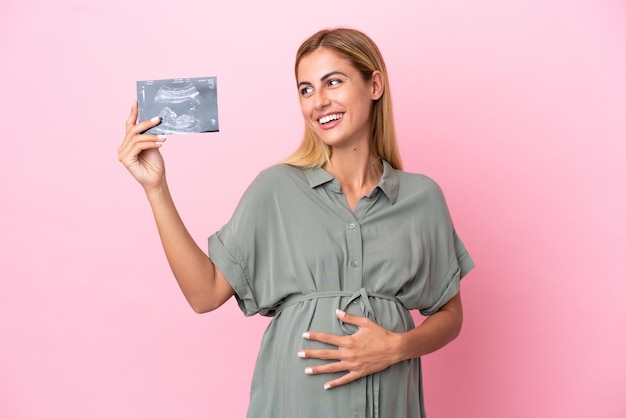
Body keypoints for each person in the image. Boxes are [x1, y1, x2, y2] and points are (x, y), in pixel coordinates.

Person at [118, 27, 474, 418]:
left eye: (332, 83)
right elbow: (205, 294)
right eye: (306, 90)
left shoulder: (421, 197)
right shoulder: (277, 188)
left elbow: (450, 314)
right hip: (294, 402)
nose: (318, 102)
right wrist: (156, 188)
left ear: (375, 85)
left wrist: (396, 347)